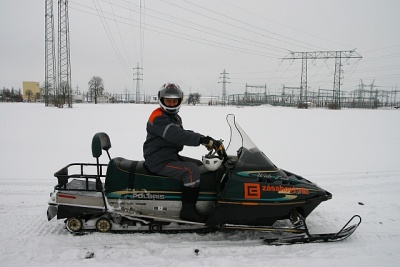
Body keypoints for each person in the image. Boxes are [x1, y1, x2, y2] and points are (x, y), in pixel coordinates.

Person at [143, 83, 214, 223]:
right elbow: (176, 135)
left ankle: (201, 201)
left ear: (179, 101)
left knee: (199, 165)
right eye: (168, 100)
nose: (171, 103)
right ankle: (188, 210)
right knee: (191, 170)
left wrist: (206, 139)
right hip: (158, 160)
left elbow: (183, 133)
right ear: (161, 100)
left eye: (174, 100)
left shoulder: (174, 117)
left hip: (168, 156)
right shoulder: (157, 117)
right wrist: (200, 140)